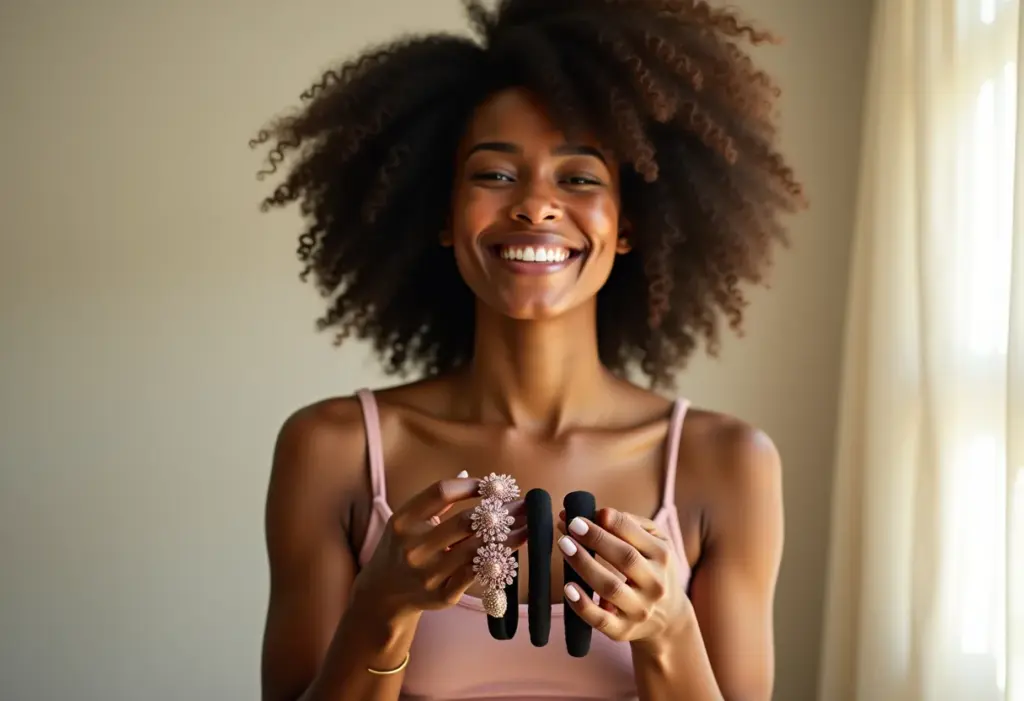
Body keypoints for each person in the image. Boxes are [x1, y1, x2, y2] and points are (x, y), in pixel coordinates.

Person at [252, 1, 804, 699]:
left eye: (578, 177)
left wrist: (668, 628)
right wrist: (381, 605)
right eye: (494, 174)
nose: (536, 206)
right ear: (444, 215)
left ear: (629, 224)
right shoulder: (330, 449)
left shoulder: (727, 464)